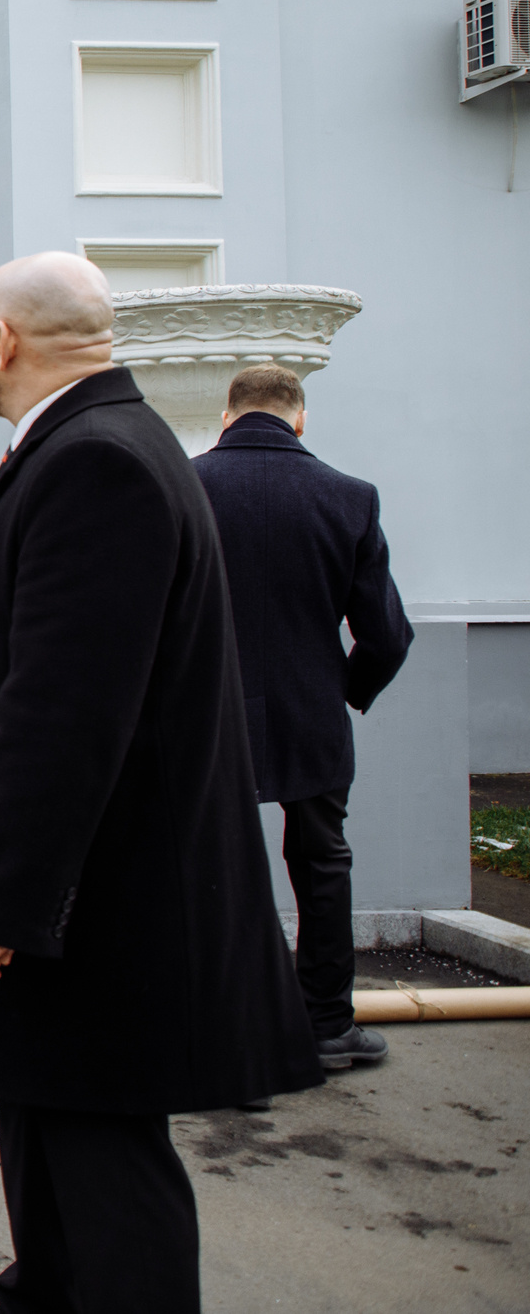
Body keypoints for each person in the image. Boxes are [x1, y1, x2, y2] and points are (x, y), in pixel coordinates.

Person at [0, 252, 321, 1311]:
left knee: (106, 1185)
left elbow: (70, 709)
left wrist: (1, 894)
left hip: (97, 912)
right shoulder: (92, 442)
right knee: (52, 1151)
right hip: (85, 904)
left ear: (3, 338)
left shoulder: (97, 461)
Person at [195, 363, 413, 1073]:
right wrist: (344, 689)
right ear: (300, 418)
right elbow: (387, 635)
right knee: (322, 861)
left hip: (205, 713)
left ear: (226, 416)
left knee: (209, 863)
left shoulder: (185, 485)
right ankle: (326, 1024)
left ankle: (221, 1029)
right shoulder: (350, 497)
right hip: (309, 712)